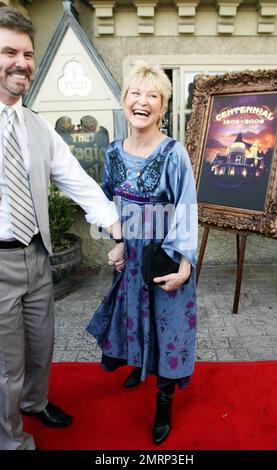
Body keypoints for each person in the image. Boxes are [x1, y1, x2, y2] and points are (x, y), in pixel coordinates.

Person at [0, 7, 124, 450]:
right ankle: (11, 440)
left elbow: (76, 178)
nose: (22, 62)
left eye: (28, 53)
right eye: (9, 51)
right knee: (6, 363)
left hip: (37, 253)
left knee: (41, 344)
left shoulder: (36, 125)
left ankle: (34, 403)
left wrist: (115, 225)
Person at [87, 62, 198, 445]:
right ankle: (137, 365)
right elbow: (107, 202)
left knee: (168, 329)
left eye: (153, 95)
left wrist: (184, 264)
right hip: (130, 257)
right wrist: (115, 240)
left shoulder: (174, 153)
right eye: (136, 93)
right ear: (124, 101)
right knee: (134, 318)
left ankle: (163, 402)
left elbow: (186, 207)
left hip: (165, 256)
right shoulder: (113, 152)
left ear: (163, 107)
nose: (143, 101)